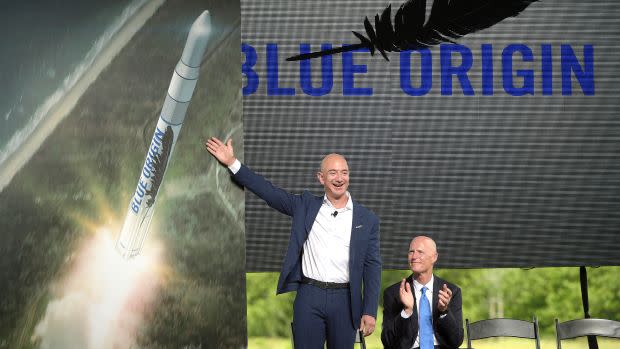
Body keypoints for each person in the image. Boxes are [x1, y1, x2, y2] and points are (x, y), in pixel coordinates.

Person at [205, 137, 381, 349]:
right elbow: (269, 192)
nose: (339, 178)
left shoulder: (367, 218)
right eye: (332, 173)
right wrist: (233, 162)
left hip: (345, 300)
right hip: (309, 296)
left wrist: (369, 310)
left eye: (344, 172)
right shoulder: (305, 205)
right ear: (321, 178)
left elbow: (372, 267)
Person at [382, 236, 463, 349]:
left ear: (434, 257)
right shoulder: (393, 293)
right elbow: (388, 342)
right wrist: (406, 311)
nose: (414, 256)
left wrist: (444, 312)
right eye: (411, 252)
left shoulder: (451, 292)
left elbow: (456, 341)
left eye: (420, 252)